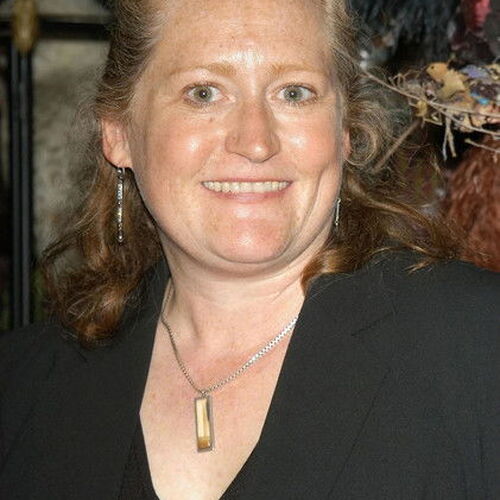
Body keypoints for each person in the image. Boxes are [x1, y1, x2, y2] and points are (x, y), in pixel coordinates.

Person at [1, 0, 498, 498]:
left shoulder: (477, 346)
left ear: (344, 130)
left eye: (294, 93)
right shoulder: (21, 387)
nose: (256, 142)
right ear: (118, 132)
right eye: (203, 93)